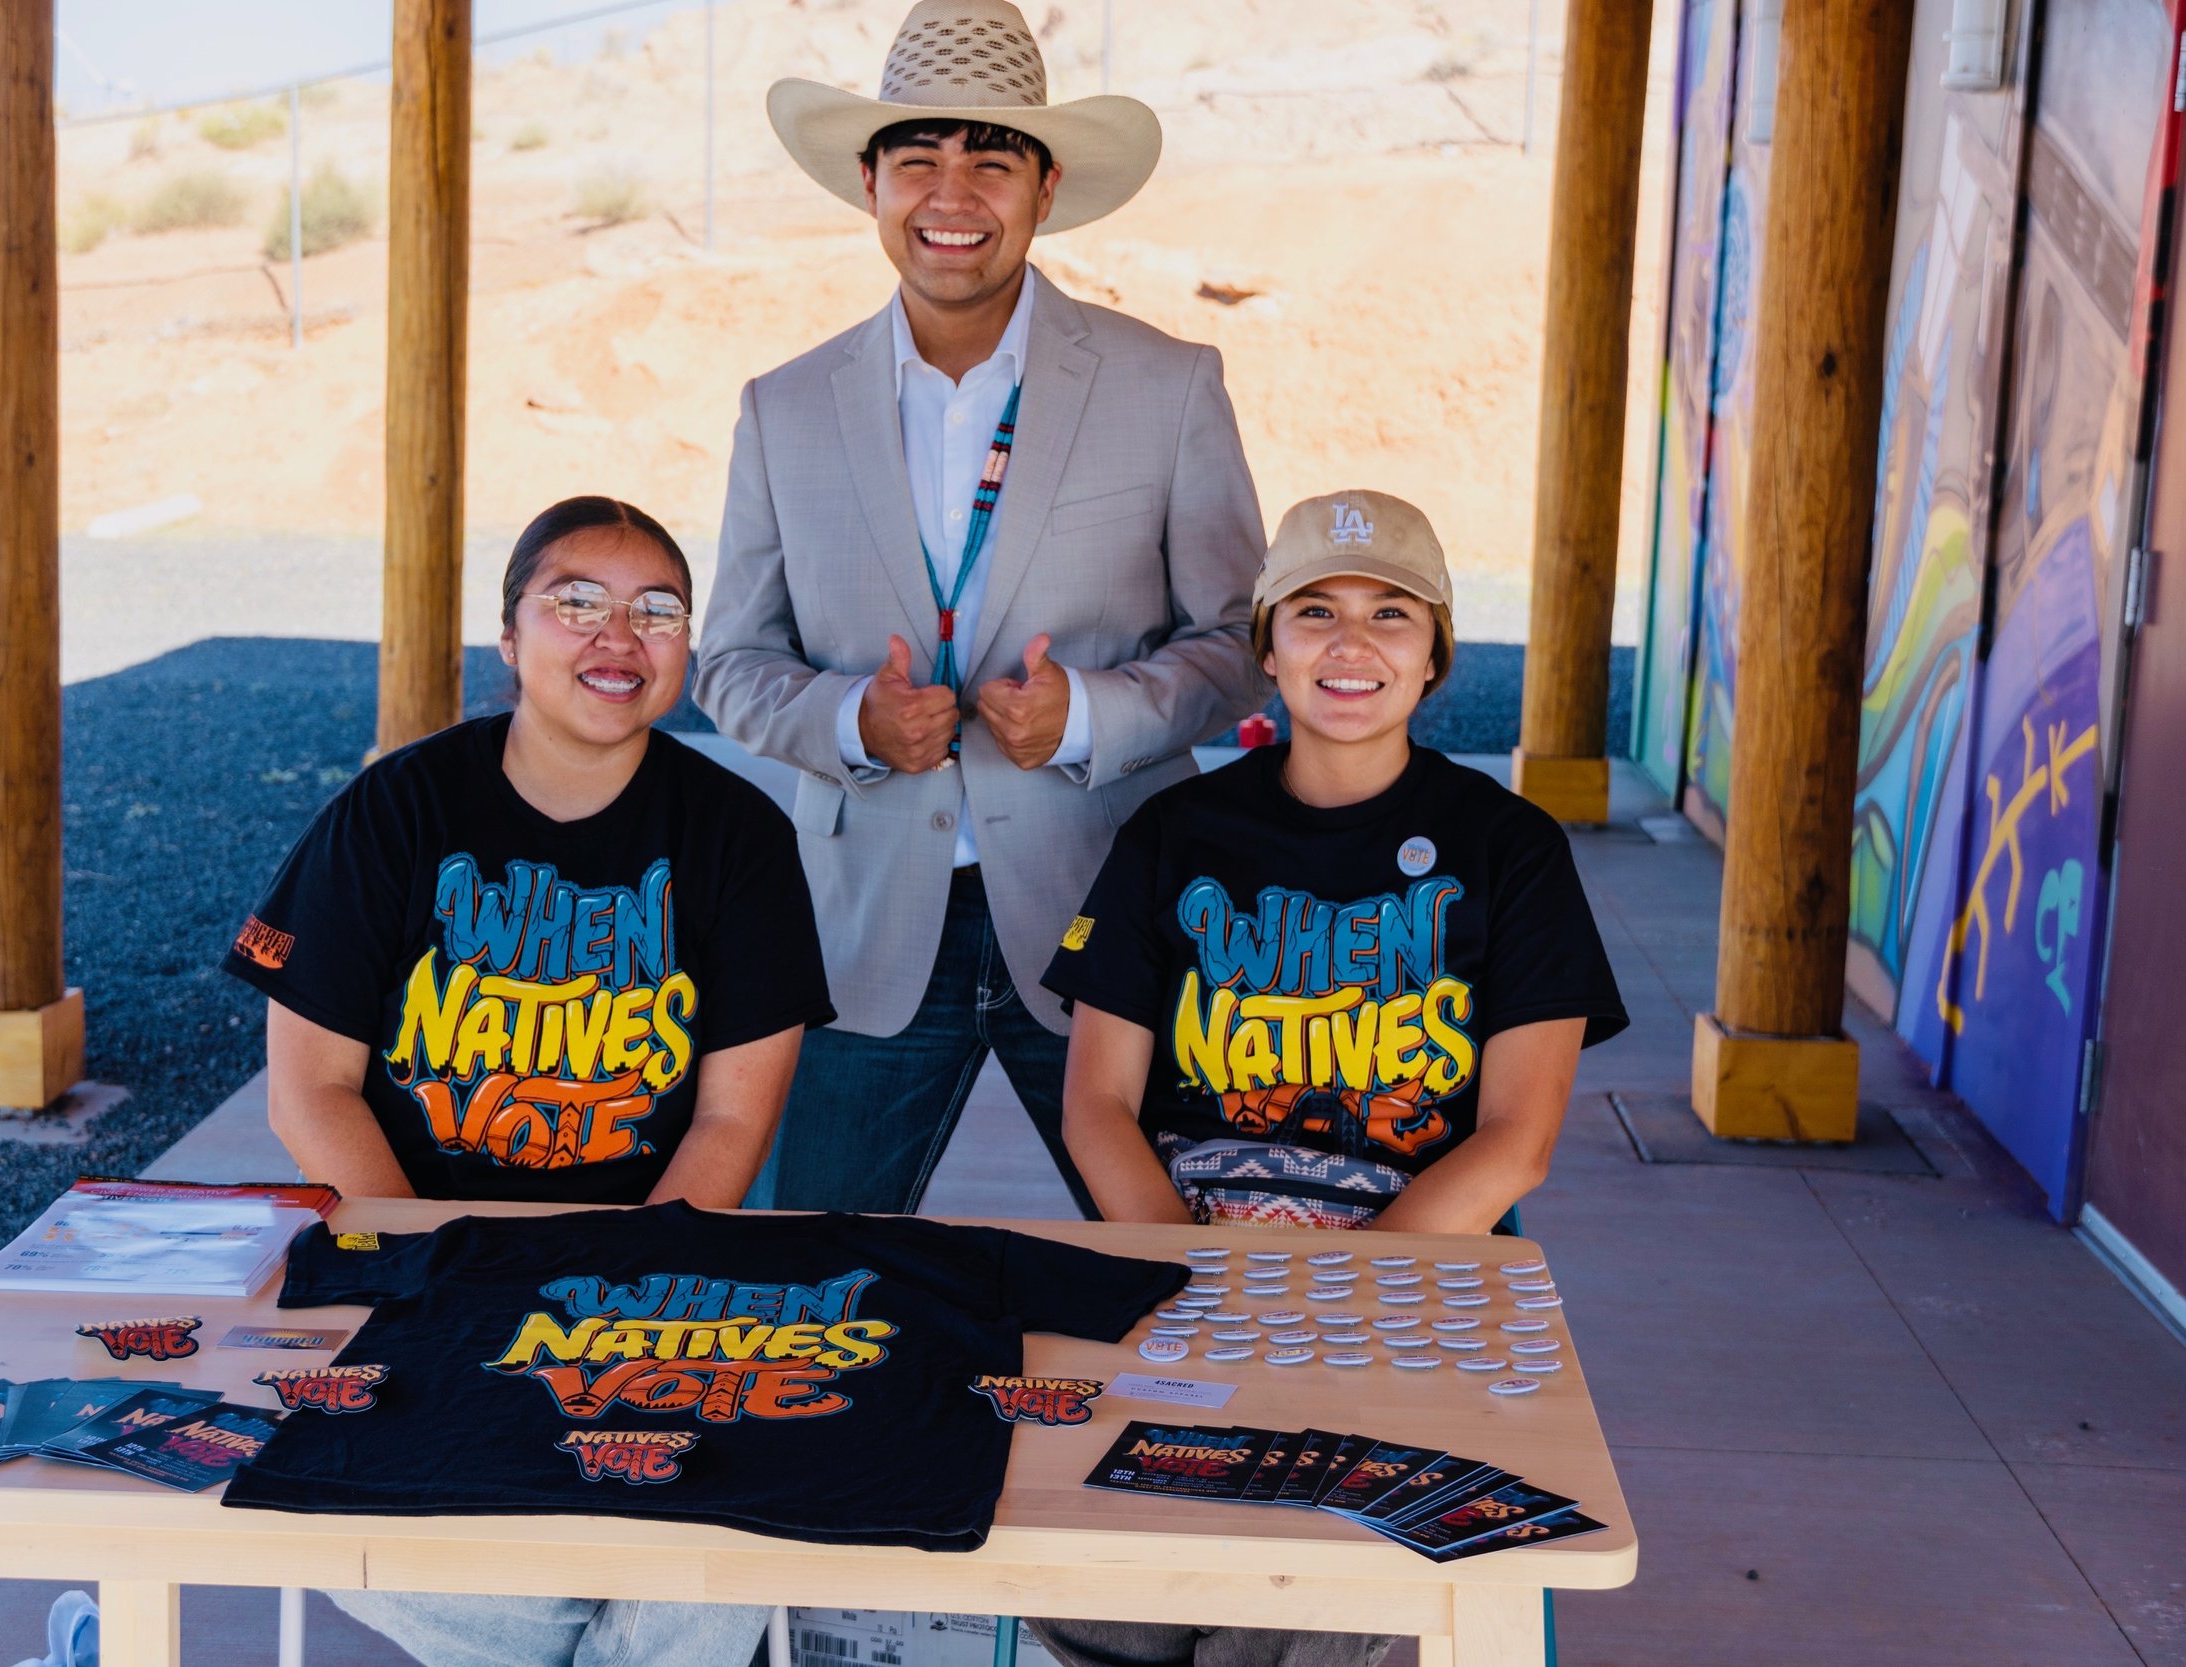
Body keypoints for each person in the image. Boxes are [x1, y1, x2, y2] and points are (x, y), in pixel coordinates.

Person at [223, 495, 834, 1667]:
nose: (620, 637)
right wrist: (446, 1269)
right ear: (508, 637)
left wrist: (628, 1282)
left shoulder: (738, 835)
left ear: (685, 653)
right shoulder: (393, 811)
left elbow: (734, 1115)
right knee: (336, 1508)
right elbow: (312, 1091)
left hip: (654, 1268)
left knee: (721, 1539)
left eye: (657, 611)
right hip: (416, 1258)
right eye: (576, 604)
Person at [1026, 490, 1628, 1667]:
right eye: (1314, 611)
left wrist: (1334, 1301)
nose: (1351, 644)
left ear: (1436, 650)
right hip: (1182, 1280)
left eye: (1390, 614)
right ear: (1266, 645)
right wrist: (1192, 1285)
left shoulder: (1509, 848)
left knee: (1291, 1615)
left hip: (1401, 1290)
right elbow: (1096, 1101)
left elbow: (1517, 1138)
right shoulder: (1174, 832)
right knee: (1102, 1599)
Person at [696, 0, 1266, 1215]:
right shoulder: (781, 407)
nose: (952, 192)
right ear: (870, 183)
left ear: (1045, 186)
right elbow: (731, 660)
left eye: (991, 159)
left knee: (1175, 1278)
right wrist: (849, 721)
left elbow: (1237, 644)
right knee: (812, 1289)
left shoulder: (1169, 385)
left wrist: (1091, 717)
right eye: (918, 159)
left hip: (1108, 917)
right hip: (865, 937)